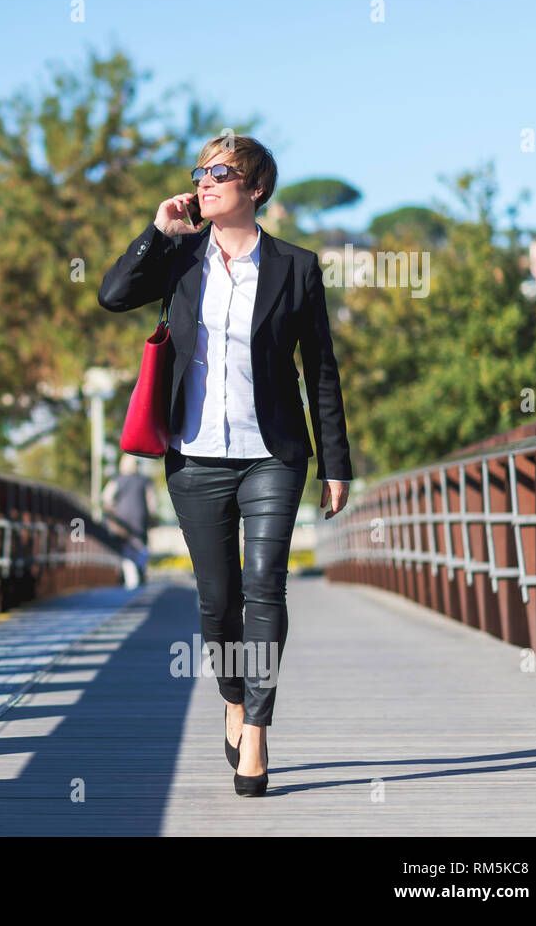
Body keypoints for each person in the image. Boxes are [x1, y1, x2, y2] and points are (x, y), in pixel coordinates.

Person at [97, 135, 352, 797]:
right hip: (195, 455)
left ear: (256, 188)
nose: (204, 182)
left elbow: (320, 371)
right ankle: (234, 702)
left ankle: (259, 730)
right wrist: (156, 231)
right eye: (199, 173)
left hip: (274, 454)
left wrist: (336, 462)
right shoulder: (179, 256)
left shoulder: (297, 267)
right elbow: (112, 293)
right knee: (219, 601)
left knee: (266, 581)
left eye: (220, 173)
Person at [103, 453, 151, 588]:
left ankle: (131, 578)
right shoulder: (144, 480)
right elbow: (151, 502)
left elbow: (106, 498)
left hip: (121, 521)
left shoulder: (117, 479)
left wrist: (112, 512)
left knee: (125, 549)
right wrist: (152, 518)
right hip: (140, 520)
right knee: (141, 547)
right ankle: (140, 571)